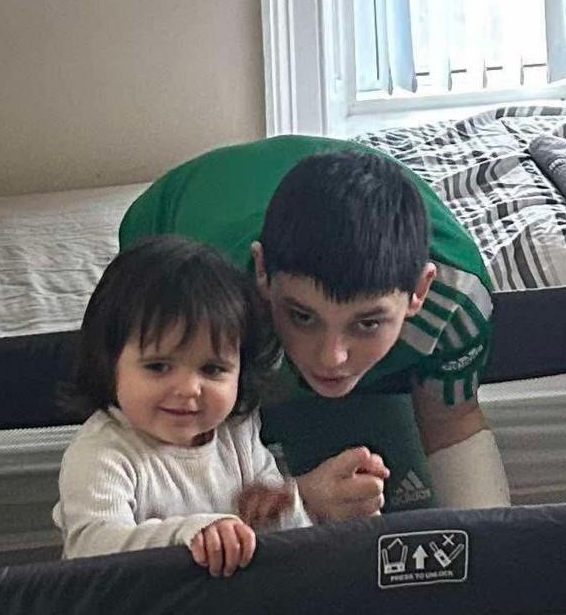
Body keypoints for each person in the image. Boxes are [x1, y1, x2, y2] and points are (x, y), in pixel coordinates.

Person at [118, 138, 510, 523]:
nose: (331, 357)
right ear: (262, 273)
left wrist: (493, 564)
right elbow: (170, 460)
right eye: (302, 316)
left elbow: (451, 420)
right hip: (180, 208)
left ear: (419, 292)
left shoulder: (456, 300)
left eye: (368, 323)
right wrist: (297, 499)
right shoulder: (213, 299)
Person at [53, 235, 304, 573]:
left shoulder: (238, 434)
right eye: (158, 367)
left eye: (212, 369)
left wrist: (280, 511)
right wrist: (191, 534)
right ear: (108, 361)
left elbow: (287, 551)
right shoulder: (103, 453)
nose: (188, 389)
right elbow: (91, 549)